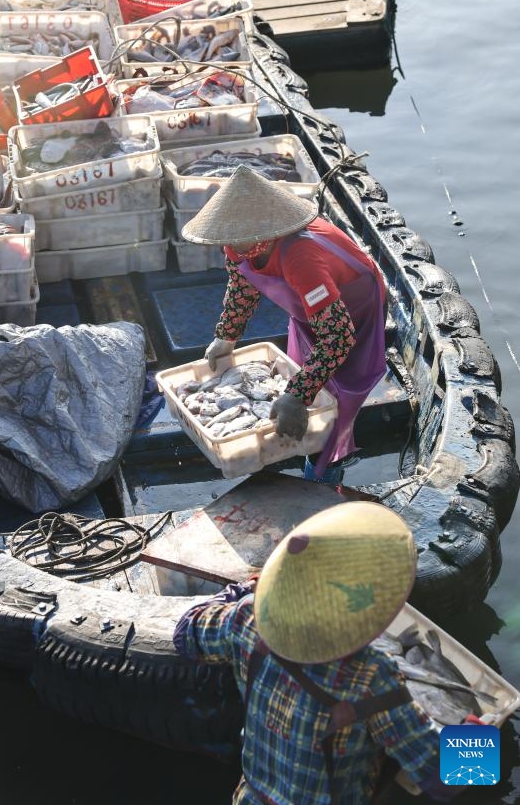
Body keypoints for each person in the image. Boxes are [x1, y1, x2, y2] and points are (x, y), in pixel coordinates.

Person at [173, 501, 477, 805]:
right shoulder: (370, 673)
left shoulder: (246, 619)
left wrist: (247, 590)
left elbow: (186, 633)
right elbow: (444, 779)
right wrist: (478, 739)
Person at [181, 165, 387, 483]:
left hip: (355, 307)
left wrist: (298, 396)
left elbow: (338, 336)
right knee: (306, 369)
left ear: (263, 230)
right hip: (313, 311)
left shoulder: (301, 257)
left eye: (238, 239)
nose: (231, 245)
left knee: (336, 399)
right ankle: (309, 435)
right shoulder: (240, 245)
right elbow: (242, 285)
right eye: (228, 238)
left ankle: (325, 472)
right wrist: (226, 336)